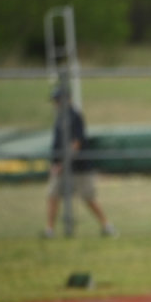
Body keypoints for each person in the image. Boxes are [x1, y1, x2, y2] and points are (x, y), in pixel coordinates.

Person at [43, 87, 116, 238]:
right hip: (60, 166)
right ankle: (49, 230)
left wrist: (62, 163)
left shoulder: (74, 116)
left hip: (79, 166)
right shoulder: (59, 117)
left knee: (88, 197)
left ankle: (106, 226)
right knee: (53, 195)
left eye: (58, 100)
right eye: (55, 101)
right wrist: (55, 163)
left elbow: (76, 144)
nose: (56, 104)